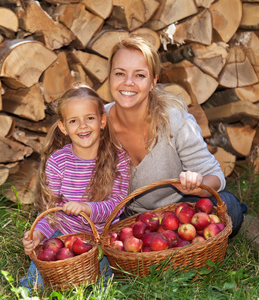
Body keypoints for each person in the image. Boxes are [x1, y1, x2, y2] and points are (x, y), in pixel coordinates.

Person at [105, 35, 247, 238]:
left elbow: (216, 177)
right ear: (110, 76)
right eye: (120, 73)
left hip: (180, 210)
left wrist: (199, 187)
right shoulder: (97, 123)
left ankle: (172, 242)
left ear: (153, 81)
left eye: (139, 75)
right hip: (126, 218)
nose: (128, 83)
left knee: (229, 207)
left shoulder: (173, 119)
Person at [21, 83, 131, 290]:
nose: (82, 126)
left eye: (89, 118)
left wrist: (86, 208)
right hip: (63, 235)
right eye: (73, 121)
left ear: (102, 121)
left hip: (102, 239)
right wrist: (37, 235)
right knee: (35, 282)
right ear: (63, 127)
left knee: (104, 281)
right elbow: (49, 211)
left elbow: (117, 205)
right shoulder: (58, 161)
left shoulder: (119, 159)